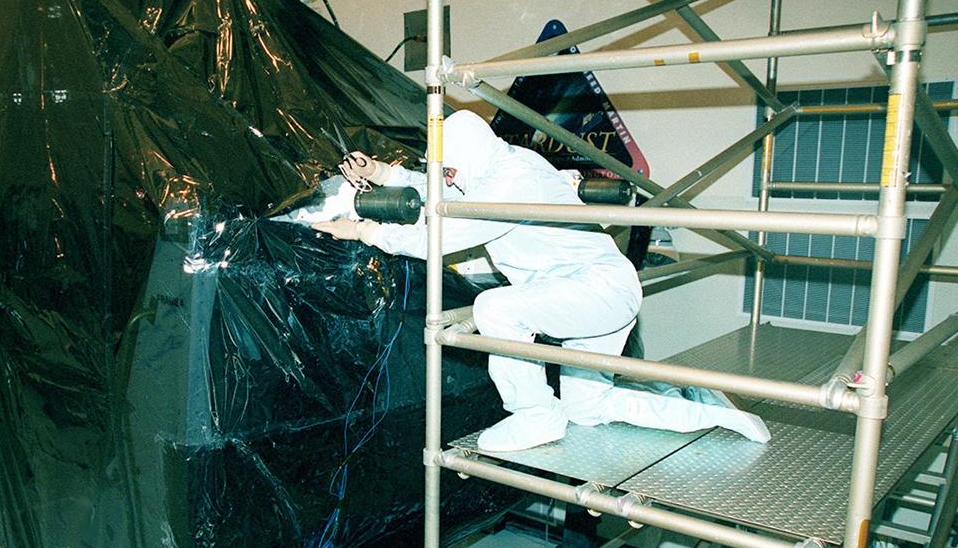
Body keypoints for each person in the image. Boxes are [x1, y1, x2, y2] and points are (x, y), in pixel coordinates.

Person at [314, 109, 770, 452]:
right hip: (589, 296)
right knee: (588, 410)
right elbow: (446, 183)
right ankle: (709, 411)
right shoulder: (490, 165)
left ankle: (533, 414)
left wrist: (366, 230)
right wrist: (382, 173)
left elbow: (444, 234)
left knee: (496, 307)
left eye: (449, 167)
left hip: (597, 292)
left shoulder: (514, 180)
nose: (447, 176)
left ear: (466, 158)